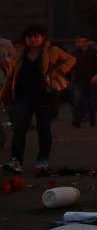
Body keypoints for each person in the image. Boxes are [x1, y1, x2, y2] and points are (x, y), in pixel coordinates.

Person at [2, 24, 74, 174]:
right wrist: (5, 94)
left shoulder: (52, 51)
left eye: (36, 36)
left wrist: (57, 71)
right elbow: (10, 76)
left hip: (45, 95)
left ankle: (42, 160)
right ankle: (16, 160)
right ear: (25, 39)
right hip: (23, 96)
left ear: (42, 38)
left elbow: (71, 59)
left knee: (44, 128)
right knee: (19, 128)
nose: (32, 40)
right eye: (29, 37)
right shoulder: (20, 54)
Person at [70, 35, 97, 128]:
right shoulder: (74, 54)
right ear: (78, 43)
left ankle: (92, 121)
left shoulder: (94, 52)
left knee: (92, 102)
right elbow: (69, 66)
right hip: (78, 80)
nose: (83, 43)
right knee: (77, 101)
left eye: (84, 41)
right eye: (81, 41)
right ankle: (77, 121)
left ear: (87, 42)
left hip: (91, 80)